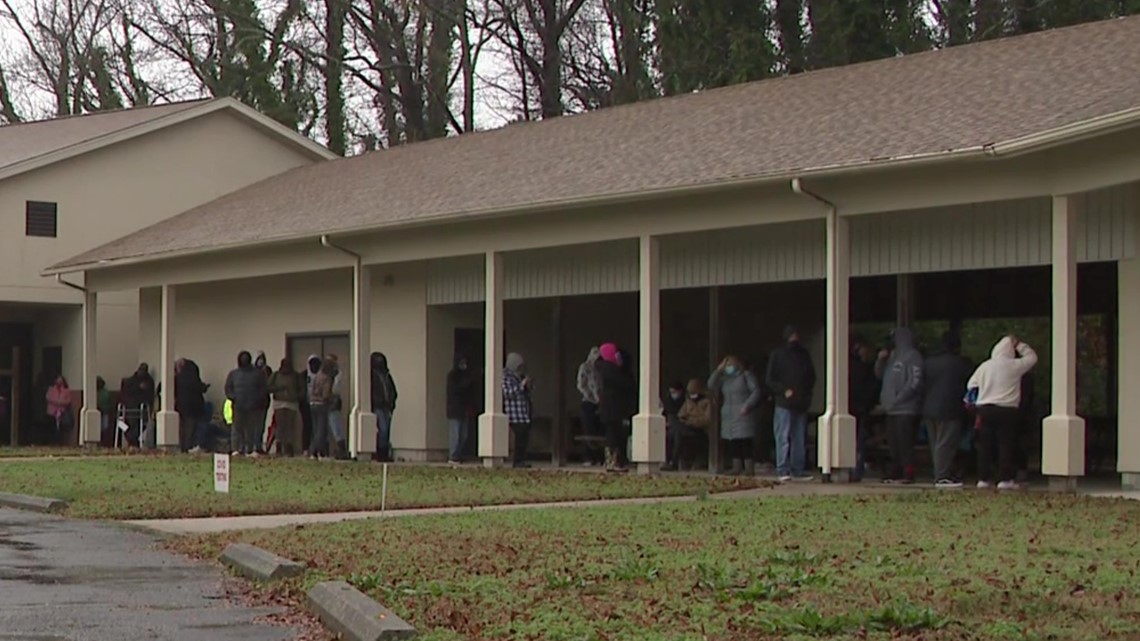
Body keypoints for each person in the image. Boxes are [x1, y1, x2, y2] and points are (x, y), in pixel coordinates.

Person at [967, 335, 1038, 490]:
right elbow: (1032, 358)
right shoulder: (1014, 366)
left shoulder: (985, 366)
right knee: (1006, 445)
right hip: (1007, 410)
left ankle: (983, 479)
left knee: (985, 445)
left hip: (985, 409)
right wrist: (1019, 344)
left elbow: (971, 385)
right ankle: (1005, 479)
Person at [765, 326, 816, 482]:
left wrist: (806, 394)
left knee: (798, 438)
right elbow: (770, 379)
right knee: (783, 437)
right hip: (784, 403)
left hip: (800, 403)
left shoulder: (804, 355)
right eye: (791, 335)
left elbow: (811, 376)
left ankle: (797, 470)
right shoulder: (778, 355)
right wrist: (783, 390)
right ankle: (783, 469)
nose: (794, 338)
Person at [922, 332, 972, 489]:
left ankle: (939, 472)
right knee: (946, 444)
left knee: (935, 443)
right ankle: (942, 476)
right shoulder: (961, 364)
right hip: (950, 408)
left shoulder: (928, 363)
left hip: (929, 408)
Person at [879, 327, 924, 484]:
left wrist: (898, 399)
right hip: (890, 409)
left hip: (906, 409)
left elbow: (914, 382)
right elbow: (878, 375)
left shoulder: (913, 356)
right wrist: (881, 360)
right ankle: (895, 471)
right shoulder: (891, 358)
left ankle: (908, 472)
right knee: (893, 442)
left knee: (905, 442)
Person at [709, 355, 761, 476]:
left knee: (745, 440)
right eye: (726, 366)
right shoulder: (724, 378)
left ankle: (749, 468)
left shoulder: (746, 376)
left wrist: (747, 405)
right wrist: (718, 370)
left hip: (743, 412)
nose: (729, 368)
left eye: (730, 366)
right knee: (733, 441)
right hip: (728, 413)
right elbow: (711, 385)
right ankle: (736, 467)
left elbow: (756, 391)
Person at [596, 344, 635, 472]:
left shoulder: (607, 368)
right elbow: (625, 383)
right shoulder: (608, 369)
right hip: (612, 408)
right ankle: (613, 461)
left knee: (617, 434)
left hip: (613, 408)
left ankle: (616, 461)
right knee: (614, 435)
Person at [224, 351, 269, 457]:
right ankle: (249, 449)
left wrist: (234, 398)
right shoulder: (258, 374)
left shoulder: (233, 374)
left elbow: (228, 388)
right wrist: (256, 400)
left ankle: (237, 449)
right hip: (252, 406)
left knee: (238, 428)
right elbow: (263, 390)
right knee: (250, 429)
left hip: (240, 405)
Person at [849, 338, 880, 482]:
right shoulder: (865, 369)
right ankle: (857, 469)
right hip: (861, 410)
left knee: (851, 441)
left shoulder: (844, 368)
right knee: (859, 442)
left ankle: (850, 468)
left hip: (849, 409)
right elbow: (873, 387)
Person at [671, 379, 715, 470]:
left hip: (702, 431)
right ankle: (672, 461)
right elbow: (681, 414)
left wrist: (691, 420)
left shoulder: (708, 402)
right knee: (676, 432)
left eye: (694, 392)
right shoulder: (688, 401)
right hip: (688, 429)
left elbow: (707, 420)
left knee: (679, 433)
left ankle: (674, 462)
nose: (692, 394)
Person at [267, 358, 306, 457]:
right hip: (280, 403)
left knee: (289, 426)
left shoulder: (296, 376)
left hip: (291, 403)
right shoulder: (276, 375)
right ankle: (280, 447)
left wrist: (296, 396)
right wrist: (279, 389)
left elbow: (302, 390)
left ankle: (288, 447)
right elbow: (268, 387)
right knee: (281, 426)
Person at [501, 352, 532, 468]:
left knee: (524, 438)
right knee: (518, 437)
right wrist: (521, 386)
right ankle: (517, 461)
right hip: (513, 413)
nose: (521, 368)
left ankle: (522, 460)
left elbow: (525, 393)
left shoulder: (518, 376)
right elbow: (507, 393)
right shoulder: (504, 376)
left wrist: (528, 386)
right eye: (519, 365)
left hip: (523, 413)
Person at [446, 353, 477, 464]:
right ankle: (453, 456)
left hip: (464, 410)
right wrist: (467, 383)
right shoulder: (452, 376)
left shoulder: (467, 376)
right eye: (461, 363)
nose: (464, 365)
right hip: (455, 410)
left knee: (464, 435)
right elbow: (456, 390)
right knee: (456, 434)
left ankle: (458, 454)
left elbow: (470, 393)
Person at [576, 347, 604, 466]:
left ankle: (599, 457)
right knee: (588, 430)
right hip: (588, 402)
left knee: (599, 430)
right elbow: (581, 385)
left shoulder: (601, 369)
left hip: (601, 403)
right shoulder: (585, 367)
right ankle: (588, 457)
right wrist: (591, 396)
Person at [174, 358, 209, 453]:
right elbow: (201, 388)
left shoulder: (177, 379)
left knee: (182, 429)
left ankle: (182, 447)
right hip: (194, 407)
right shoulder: (193, 378)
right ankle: (188, 446)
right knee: (190, 428)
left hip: (180, 406)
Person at [306, 357, 336, 458]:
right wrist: (332, 399)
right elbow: (326, 394)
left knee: (315, 429)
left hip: (312, 403)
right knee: (321, 430)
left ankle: (314, 451)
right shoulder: (327, 378)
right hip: (321, 404)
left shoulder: (317, 375)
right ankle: (314, 450)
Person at [371, 352, 398, 462]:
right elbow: (371, 391)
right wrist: (378, 401)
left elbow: (392, 390)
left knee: (387, 430)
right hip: (378, 406)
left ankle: (384, 453)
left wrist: (392, 401)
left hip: (387, 407)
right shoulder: (371, 375)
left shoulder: (386, 375)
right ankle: (380, 453)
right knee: (382, 429)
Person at [120, 363, 155, 447]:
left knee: (138, 426)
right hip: (131, 409)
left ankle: (132, 440)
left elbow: (150, 395)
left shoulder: (148, 381)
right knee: (122, 424)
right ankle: (131, 439)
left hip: (139, 409)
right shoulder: (132, 381)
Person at [660, 381, 686, 471]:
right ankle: (666, 461)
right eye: (671, 392)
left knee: (677, 436)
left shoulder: (685, 402)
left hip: (684, 426)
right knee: (666, 436)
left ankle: (673, 462)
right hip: (671, 427)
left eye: (674, 392)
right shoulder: (668, 402)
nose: (672, 395)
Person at [326, 354, 348, 460]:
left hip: (332, 402)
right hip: (328, 401)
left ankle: (341, 449)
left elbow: (335, 389)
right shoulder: (325, 373)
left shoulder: (336, 373)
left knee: (336, 426)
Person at [46, 376, 72, 442]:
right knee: (51, 428)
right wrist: (56, 402)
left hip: (62, 412)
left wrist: (60, 403)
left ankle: (60, 441)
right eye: (58, 381)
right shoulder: (51, 389)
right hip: (52, 412)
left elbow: (68, 401)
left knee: (61, 429)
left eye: (60, 381)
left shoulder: (66, 391)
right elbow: (48, 398)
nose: (59, 383)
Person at [96, 376, 115, 444]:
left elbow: (109, 404)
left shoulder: (105, 393)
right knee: (103, 428)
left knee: (104, 428)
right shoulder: (104, 393)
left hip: (104, 412)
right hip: (100, 412)